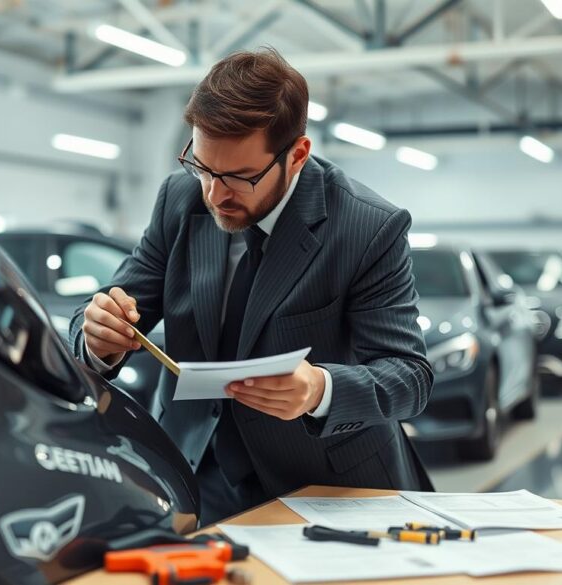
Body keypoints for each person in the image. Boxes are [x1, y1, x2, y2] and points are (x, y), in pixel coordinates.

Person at [70, 48, 433, 524]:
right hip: (195, 473)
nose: (214, 194)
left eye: (240, 177)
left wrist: (319, 388)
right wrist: (99, 337)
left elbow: (410, 375)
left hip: (325, 485)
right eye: (201, 166)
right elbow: (100, 315)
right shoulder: (179, 200)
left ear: (297, 155)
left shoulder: (367, 228)